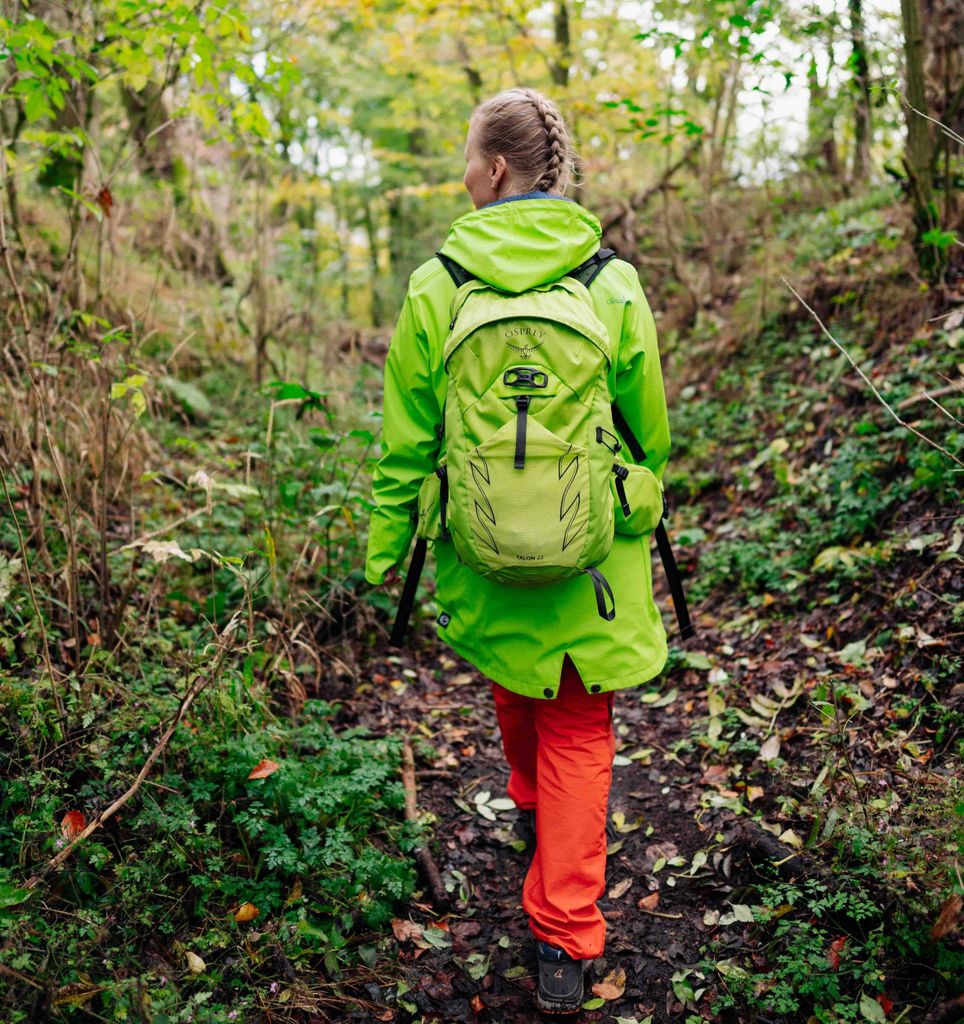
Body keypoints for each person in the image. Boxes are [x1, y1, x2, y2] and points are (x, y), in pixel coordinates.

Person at [365, 87, 671, 1014]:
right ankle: (566, 941)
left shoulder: (438, 285)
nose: (464, 173)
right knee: (578, 717)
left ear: (495, 169)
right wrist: (635, 494)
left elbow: (407, 440)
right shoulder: (610, 282)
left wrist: (387, 548)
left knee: (514, 672)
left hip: (481, 546)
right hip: (593, 557)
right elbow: (648, 432)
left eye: (469, 158)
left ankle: (536, 812)